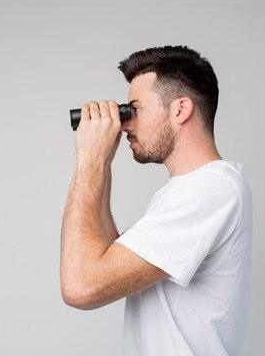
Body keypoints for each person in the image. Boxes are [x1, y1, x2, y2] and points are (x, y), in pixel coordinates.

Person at [60, 46, 252, 356]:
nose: (126, 124)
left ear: (180, 109)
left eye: (135, 109)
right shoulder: (188, 191)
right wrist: (102, 165)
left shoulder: (210, 190)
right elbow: (113, 263)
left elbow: (81, 287)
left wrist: (88, 162)